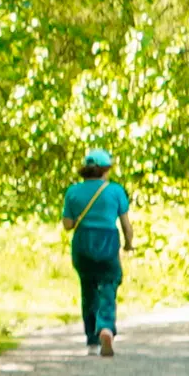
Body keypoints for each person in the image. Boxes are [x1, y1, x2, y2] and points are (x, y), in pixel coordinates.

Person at [61, 149, 132, 357]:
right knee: (109, 284)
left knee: (88, 288)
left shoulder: (73, 192)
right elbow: (126, 225)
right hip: (108, 240)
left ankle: (92, 341)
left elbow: (67, 225)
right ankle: (106, 327)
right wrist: (129, 244)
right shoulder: (116, 191)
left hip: (83, 242)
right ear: (105, 170)